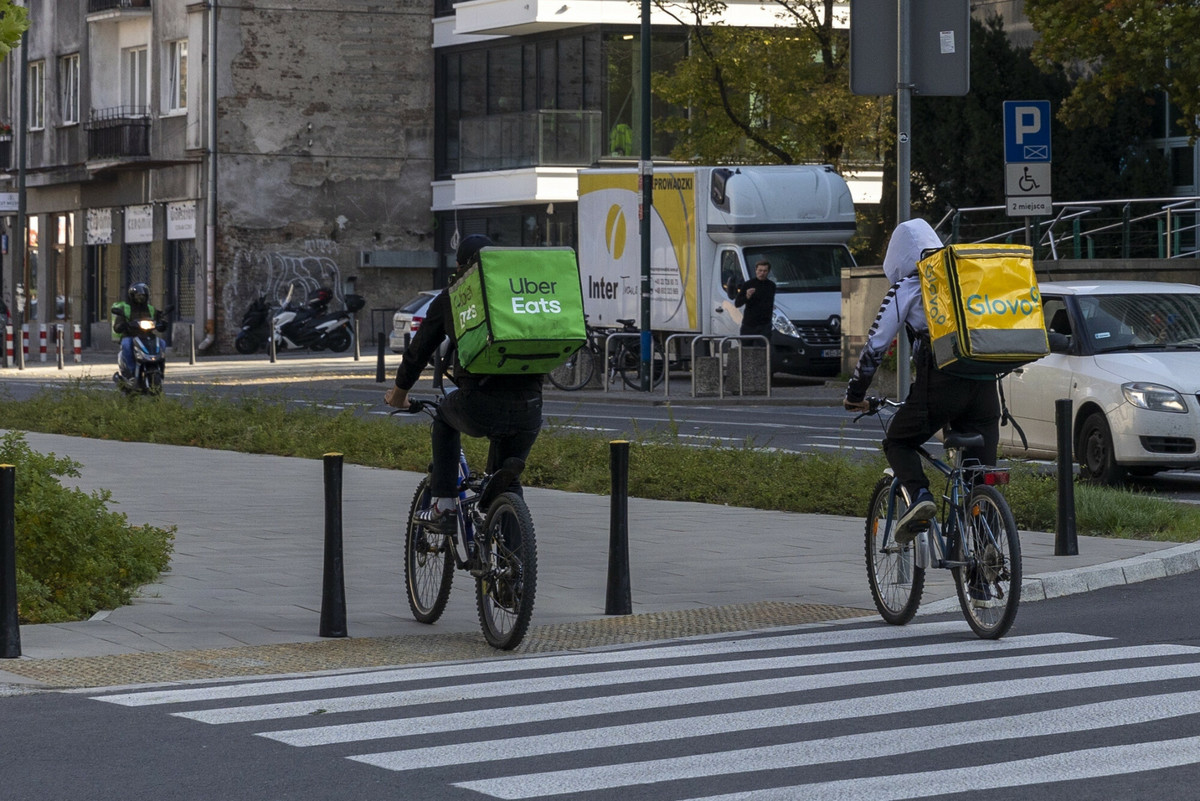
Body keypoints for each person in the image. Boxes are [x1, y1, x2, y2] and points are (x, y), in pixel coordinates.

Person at [843, 219, 1001, 543]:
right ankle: (986, 569)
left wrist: (855, 392)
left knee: (898, 441)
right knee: (980, 478)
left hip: (943, 385)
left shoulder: (909, 286)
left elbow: (876, 344)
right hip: (986, 385)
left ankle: (920, 497)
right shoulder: (965, 277)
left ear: (897, 258)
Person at [384, 234, 544, 541]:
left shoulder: (454, 296)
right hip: (531, 407)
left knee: (444, 418)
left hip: (481, 405)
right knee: (507, 483)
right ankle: (515, 575)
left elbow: (419, 351)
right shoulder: (515, 292)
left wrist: (399, 393)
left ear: (460, 266)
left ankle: (444, 506)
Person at [111, 282, 166, 380]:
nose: (140, 298)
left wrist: (162, 323)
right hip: (131, 335)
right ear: (132, 296)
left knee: (162, 343)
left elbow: (158, 319)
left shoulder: (150, 309)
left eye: (143, 296)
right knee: (126, 345)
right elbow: (118, 325)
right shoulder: (126, 308)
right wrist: (122, 325)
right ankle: (131, 372)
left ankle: (160, 369)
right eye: (138, 296)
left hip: (148, 336)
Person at [734, 260, 776, 344]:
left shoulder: (771, 285)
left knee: (764, 350)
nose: (762, 273)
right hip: (749, 324)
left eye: (765, 271)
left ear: (768, 272)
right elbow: (737, 303)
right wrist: (747, 296)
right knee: (745, 350)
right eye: (760, 270)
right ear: (756, 270)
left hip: (765, 324)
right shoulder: (748, 284)